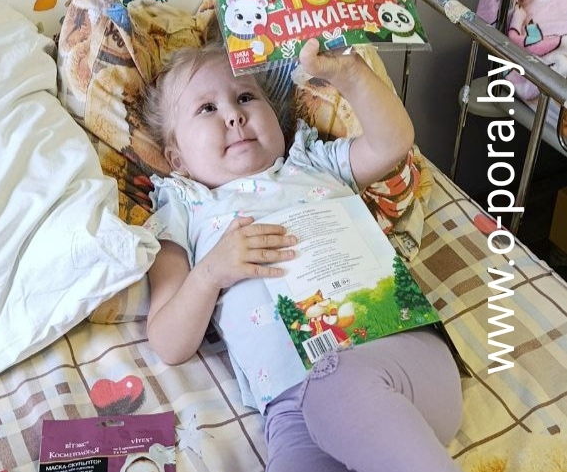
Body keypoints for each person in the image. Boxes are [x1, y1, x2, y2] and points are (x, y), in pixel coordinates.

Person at [142, 39, 463, 472]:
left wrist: (351, 75)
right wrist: (209, 274)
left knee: (335, 387)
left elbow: (393, 143)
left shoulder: (312, 162)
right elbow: (168, 341)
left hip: (398, 355)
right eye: (207, 108)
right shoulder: (183, 209)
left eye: (245, 97)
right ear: (176, 158)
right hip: (290, 404)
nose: (234, 115)